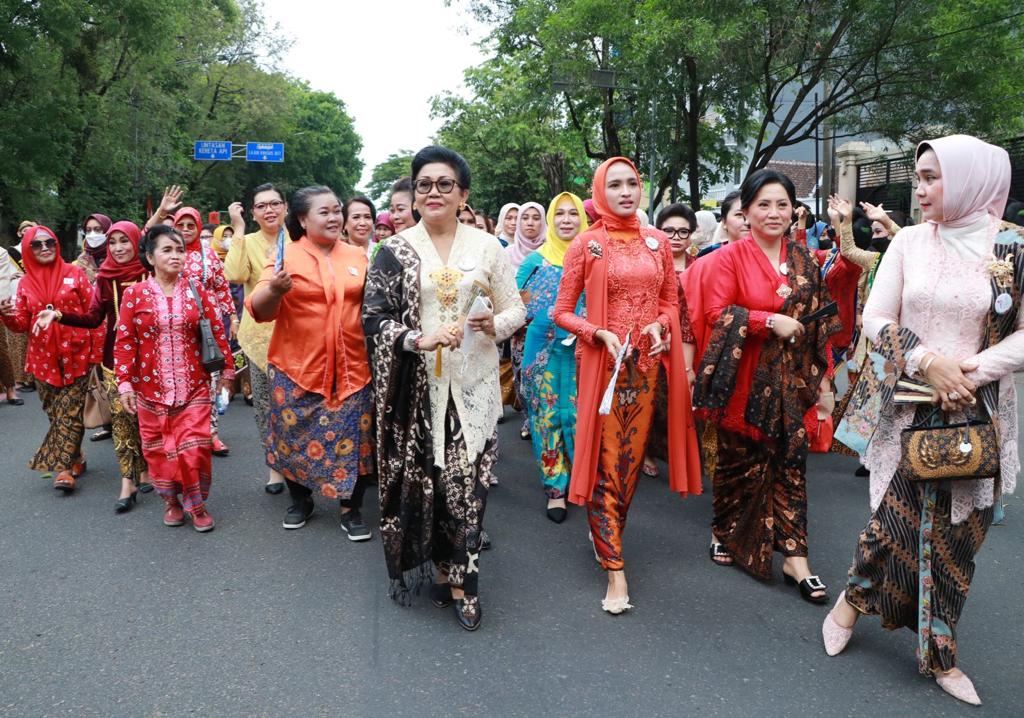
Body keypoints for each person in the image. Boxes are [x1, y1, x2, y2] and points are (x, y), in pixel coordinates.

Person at [822, 135, 1024, 706]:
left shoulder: (1012, 248)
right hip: (910, 405)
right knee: (895, 521)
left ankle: (941, 652)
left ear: (969, 181)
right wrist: (927, 361)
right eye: (918, 177)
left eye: (932, 177)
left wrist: (972, 370)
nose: (921, 189)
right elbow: (875, 317)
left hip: (978, 411)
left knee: (960, 537)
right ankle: (852, 601)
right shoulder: (908, 242)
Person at [363, 145, 525, 631]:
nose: (434, 192)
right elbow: (372, 319)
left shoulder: (487, 247)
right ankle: (438, 566)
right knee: (428, 486)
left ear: (463, 194)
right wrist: (416, 338)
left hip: (474, 389)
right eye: (424, 184)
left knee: (468, 488)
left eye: (445, 184)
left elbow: (517, 309)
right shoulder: (393, 250)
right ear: (414, 196)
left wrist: (492, 323)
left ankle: (464, 581)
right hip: (416, 393)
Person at [553, 157, 702, 615]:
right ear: (600, 192)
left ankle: (606, 530)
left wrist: (660, 326)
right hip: (602, 370)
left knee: (630, 467)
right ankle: (616, 570)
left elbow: (668, 301)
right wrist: (596, 332)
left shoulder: (658, 242)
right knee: (606, 463)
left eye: (632, 183)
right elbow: (560, 311)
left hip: (646, 368)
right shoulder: (587, 244)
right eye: (614, 185)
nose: (625, 192)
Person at [689, 169, 840, 603]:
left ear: (795, 210)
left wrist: (823, 375)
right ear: (747, 211)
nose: (774, 213)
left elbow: (820, 320)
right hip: (743, 379)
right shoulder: (728, 259)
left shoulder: (805, 259)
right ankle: (726, 530)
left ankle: (796, 557)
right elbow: (717, 313)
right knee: (739, 462)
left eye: (782, 205)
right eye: (764, 205)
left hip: (792, 380)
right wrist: (766, 321)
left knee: (790, 463)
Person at [247, 187, 375, 541]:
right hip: (296, 369)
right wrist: (275, 289)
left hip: (353, 369)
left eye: (338, 211)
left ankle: (351, 509)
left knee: (355, 440)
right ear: (302, 219)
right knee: (293, 439)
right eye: (325, 212)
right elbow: (259, 309)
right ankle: (301, 501)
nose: (335, 218)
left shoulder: (358, 255)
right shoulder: (286, 255)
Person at [114, 225, 234, 532]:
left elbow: (217, 334)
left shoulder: (198, 291)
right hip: (150, 391)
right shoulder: (134, 294)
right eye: (167, 250)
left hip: (194, 386)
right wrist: (124, 383)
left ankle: (197, 505)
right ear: (150, 257)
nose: (176, 255)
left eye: (180, 250)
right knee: (159, 454)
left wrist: (228, 371)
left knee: (193, 450)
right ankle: (171, 502)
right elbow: (125, 342)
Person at [34, 221, 152, 512]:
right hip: (115, 361)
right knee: (122, 421)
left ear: (136, 242)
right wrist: (59, 315)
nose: (118, 248)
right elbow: (94, 319)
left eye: (124, 241)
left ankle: (149, 468)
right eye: (113, 243)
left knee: (148, 419)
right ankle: (128, 482)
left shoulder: (151, 272)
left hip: (152, 359)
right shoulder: (105, 278)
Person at [1, 226, 94, 491]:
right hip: (43, 361)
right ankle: (76, 456)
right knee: (56, 413)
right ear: (28, 249)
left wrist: (96, 354)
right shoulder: (26, 283)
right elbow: (21, 324)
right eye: (37, 245)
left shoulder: (75, 274)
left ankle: (63, 470)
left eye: (49, 243)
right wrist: (6, 314)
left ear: (57, 245)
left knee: (71, 412)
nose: (44, 248)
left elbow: (93, 316)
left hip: (77, 355)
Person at [518, 192, 588, 523]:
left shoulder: (596, 258)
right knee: (545, 416)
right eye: (559, 214)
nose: (565, 220)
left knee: (577, 414)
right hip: (542, 349)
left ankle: (579, 480)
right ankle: (555, 488)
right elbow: (514, 302)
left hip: (585, 349)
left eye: (572, 213)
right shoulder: (534, 261)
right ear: (550, 219)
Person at [223, 184, 287, 493]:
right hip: (260, 338)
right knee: (265, 406)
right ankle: (275, 467)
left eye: (275, 203)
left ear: (286, 207)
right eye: (261, 206)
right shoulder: (247, 241)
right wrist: (238, 230)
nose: (269, 210)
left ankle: (299, 464)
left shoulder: (300, 239)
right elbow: (233, 274)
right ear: (253, 213)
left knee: (299, 406)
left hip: (300, 338)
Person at [172, 204, 238, 457]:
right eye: (181, 225)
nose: (186, 230)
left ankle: (211, 434)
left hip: (206, 328)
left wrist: (232, 318)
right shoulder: (166, 253)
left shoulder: (209, 255)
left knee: (210, 379)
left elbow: (222, 288)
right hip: (175, 327)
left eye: (191, 225)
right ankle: (183, 433)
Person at [643, 203, 699, 477]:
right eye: (669, 231)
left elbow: (698, 310)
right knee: (653, 402)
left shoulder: (699, 267)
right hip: (651, 341)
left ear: (691, 235)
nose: (676, 237)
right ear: (658, 231)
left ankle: (680, 454)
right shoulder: (649, 263)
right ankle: (649, 452)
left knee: (683, 405)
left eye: (683, 232)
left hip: (687, 344)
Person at [505, 201, 546, 438]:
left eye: (536, 218)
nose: (530, 223)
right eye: (525, 218)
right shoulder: (507, 254)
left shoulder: (552, 251)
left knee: (547, 375)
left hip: (548, 327)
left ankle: (544, 419)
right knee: (524, 376)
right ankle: (529, 418)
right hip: (520, 329)